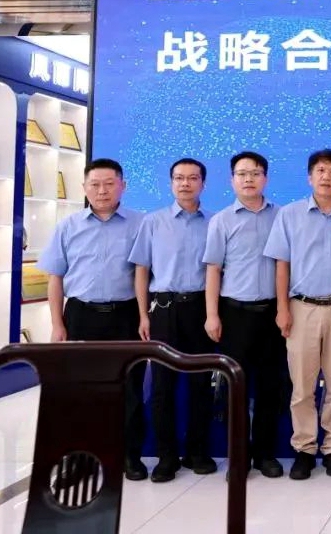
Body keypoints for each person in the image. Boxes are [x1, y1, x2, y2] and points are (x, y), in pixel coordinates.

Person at [38, 158, 148, 481]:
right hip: (81, 315)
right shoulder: (67, 227)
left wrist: (144, 316)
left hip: (125, 315)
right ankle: (79, 459)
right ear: (84, 188)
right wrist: (57, 324)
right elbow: (55, 278)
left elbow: (143, 274)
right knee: (79, 390)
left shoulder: (141, 224)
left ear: (123, 186)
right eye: (95, 185)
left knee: (130, 388)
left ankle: (130, 457)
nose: (102, 191)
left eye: (109, 184)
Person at [263, 149, 331, 481]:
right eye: (320, 170)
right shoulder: (289, 215)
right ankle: (304, 449)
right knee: (302, 386)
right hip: (301, 307)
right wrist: (282, 308)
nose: (326, 176)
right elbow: (281, 264)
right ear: (309, 177)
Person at [129, 158, 215, 483]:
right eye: (179, 178)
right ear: (171, 183)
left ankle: (197, 451)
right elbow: (141, 271)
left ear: (203, 183)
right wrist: (143, 314)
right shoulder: (153, 222)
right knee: (162, 386)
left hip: (200, 310)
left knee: (201, 385)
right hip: (163, 309)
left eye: (192, 178)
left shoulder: (215, 223)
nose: (185, 184)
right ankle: (166, 457)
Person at [202, 151, 286, 478]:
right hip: (234, 313)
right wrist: (212, 315)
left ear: (266, 178)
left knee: (270, 386)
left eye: (255, 173)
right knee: (234, 387)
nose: (248, 179)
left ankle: (265, 454)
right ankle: (238, 456)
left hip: (272, 314)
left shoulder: (282, 216)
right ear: (232, 180)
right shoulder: (222, 220)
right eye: (242, 173)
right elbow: (213, 270)